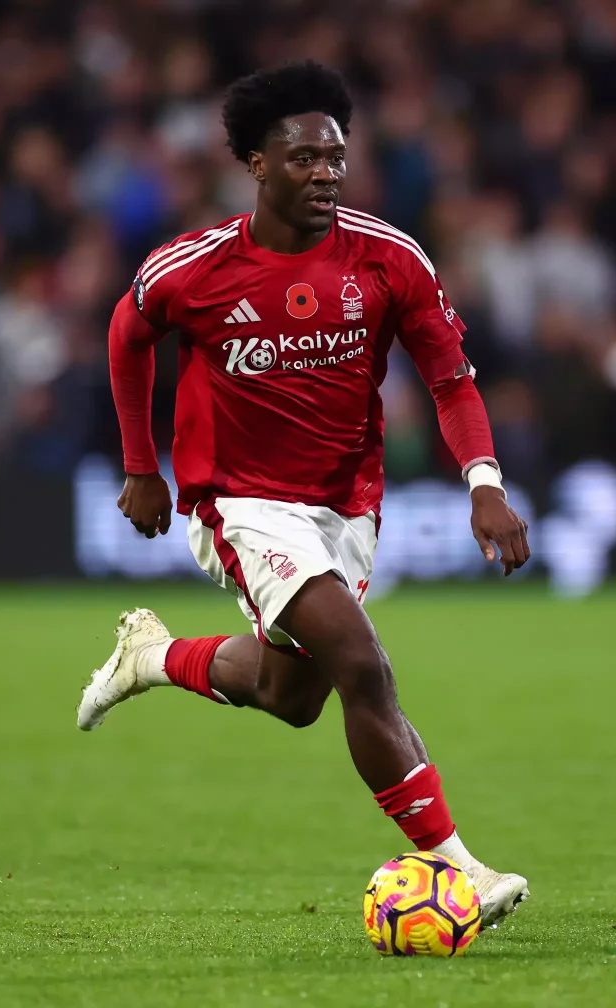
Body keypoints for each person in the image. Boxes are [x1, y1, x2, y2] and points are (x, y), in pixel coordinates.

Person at [78, 61, 531, 927]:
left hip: (344, 504)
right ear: (255, 163)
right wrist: (141, 464)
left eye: (335, 156)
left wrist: (484, 484)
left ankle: (152, 659)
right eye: (303, 158)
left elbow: (451, 378)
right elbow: (126, 333)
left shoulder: (389, 257)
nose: (325, 172)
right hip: (236, 502)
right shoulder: (196, 267)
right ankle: (459, 869)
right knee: (364, 664)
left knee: (294, 698)